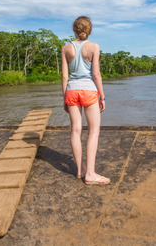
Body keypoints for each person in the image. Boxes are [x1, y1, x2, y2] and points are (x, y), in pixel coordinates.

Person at [61, 16, 110, 185]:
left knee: (75, 130)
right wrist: (102, 96)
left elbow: (65, 76)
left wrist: (64, 98)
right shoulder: (94, 47)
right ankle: (90, 173)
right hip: (89, 90)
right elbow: (96, 74)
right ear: (89, 30)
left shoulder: (66, 48)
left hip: (72, 91)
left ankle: (80, 170)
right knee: (93, 132)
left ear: (74, 29)